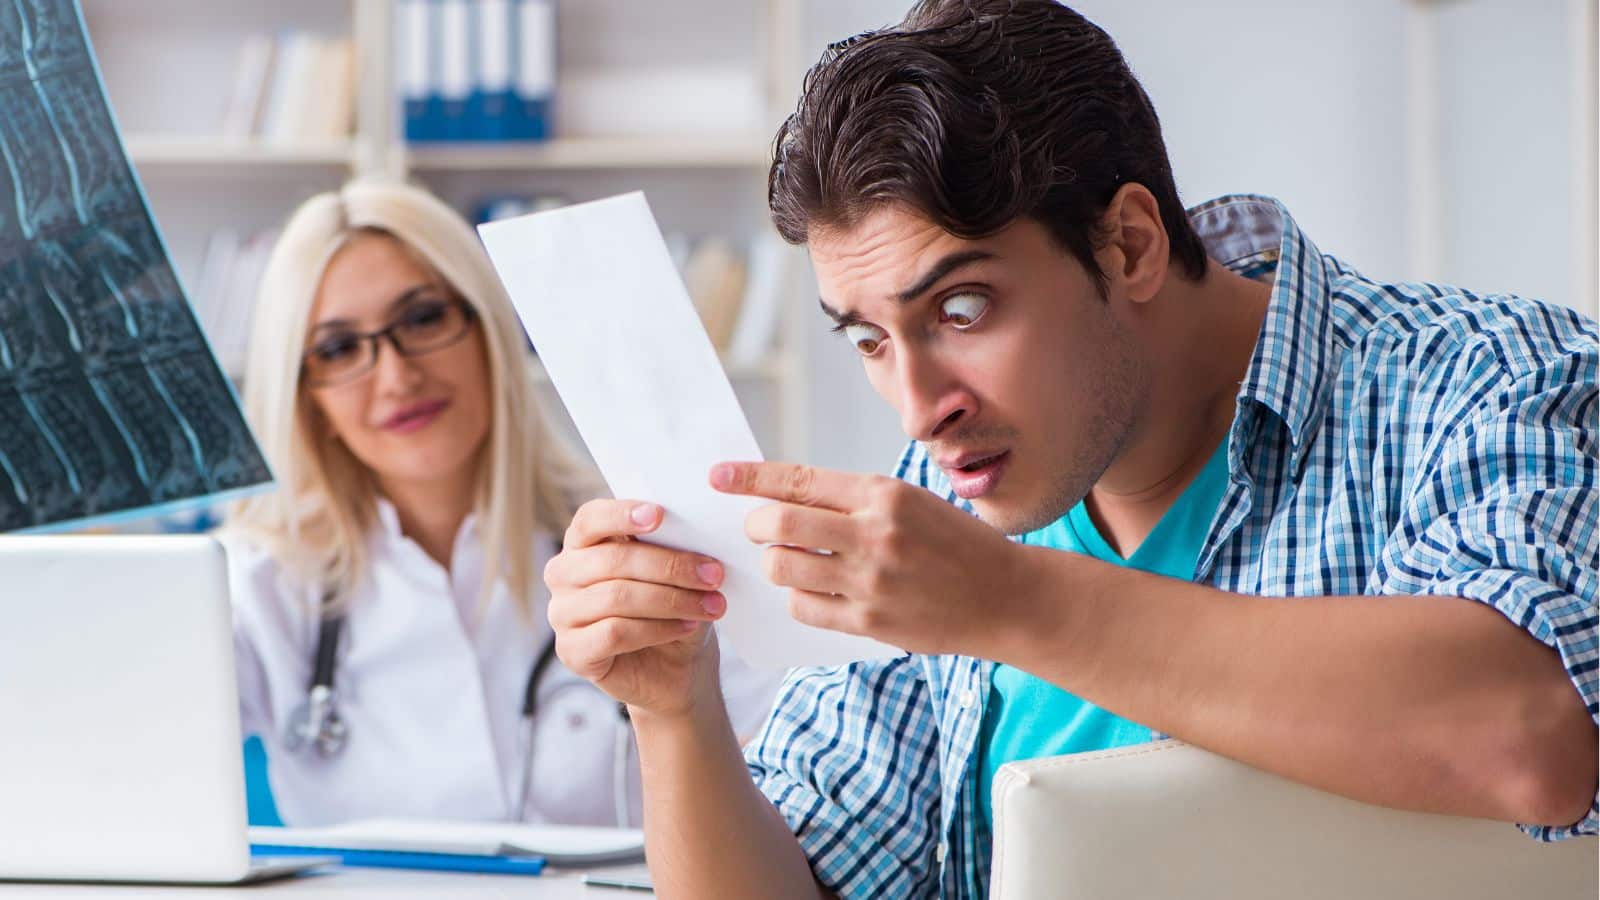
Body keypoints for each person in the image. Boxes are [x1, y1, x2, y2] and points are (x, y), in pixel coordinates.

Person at [542, 1, 1599, 896]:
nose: (917, 409)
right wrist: (673, 712)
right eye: (868, 338)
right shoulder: (946, 496)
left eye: (960, 308)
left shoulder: (1495, 379)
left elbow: (1531, 733)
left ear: (1128, 243)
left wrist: (1011, 603)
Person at [220, 181, 780, 827]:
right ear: (306, 395)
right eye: (340, 349)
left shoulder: (649, 536)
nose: (397, 377)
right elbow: (124, 768)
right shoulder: (258, 588)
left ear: (487, 328)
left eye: (423, 318)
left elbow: (780, 762)